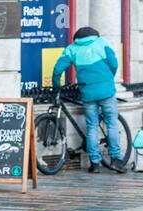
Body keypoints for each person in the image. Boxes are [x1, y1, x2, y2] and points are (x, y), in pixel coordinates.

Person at [52, 27, 127, 174]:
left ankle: (95, 163)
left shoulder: (72, 48)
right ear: (95, 35)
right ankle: (116, 161)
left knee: (92, 126)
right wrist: (107, 78)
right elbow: (114, 64)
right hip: (106, 91)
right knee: (111, 124)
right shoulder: (102, 43)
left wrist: (57, 85)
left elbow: (57, 69)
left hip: (87, 92)